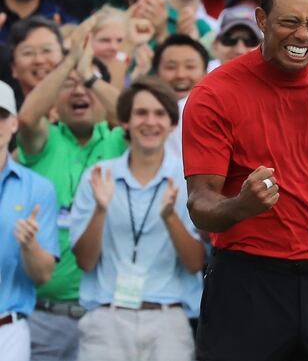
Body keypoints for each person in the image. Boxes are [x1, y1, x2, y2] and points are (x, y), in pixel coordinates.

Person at [182, 0, 308, 361]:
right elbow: (200, 206)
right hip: (246, 285)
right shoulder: (215, 95)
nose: (303, 35)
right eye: (290, 22)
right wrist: (240, 206)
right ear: (262, 20)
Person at [71, 77, 203, 361]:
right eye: (141, 113)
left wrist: (170, 218)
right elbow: (84, 261)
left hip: (168, 320)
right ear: (126, 122)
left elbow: (195, 263)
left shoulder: (188, 180)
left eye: (159, 114)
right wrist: (101, 210)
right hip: (107, 318)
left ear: (171, 124)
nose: (150, 122)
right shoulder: (98, 176)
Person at [16, 34, 127, 361]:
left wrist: (87, 73)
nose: (80, 91)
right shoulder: (43, 140)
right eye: (69, 84)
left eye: (89, 84)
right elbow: (25, 118)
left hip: (107, 315)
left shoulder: (120, 140)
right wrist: (68, 63)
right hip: (44, 316)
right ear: (53, 99)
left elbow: (133, 115)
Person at [0, 80, 59, 361]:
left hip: (7, 329)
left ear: (13, 124)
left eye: (0, 116)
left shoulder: (38, 188)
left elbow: (43, 274)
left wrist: (30, 246)